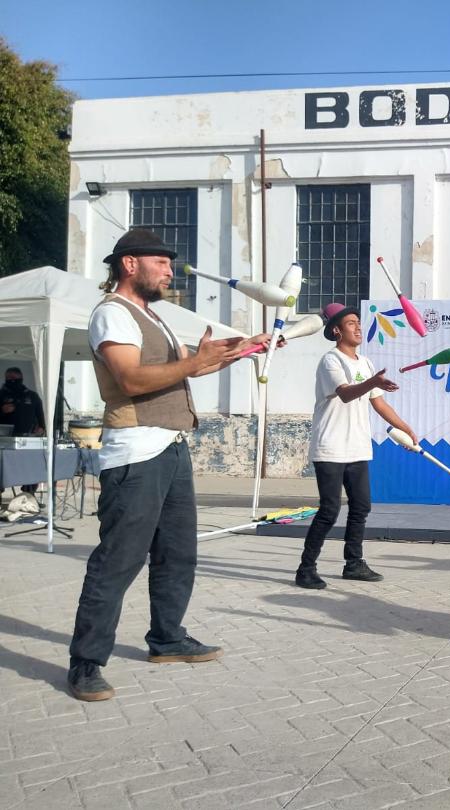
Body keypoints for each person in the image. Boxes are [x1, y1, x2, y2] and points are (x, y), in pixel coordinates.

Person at [67, 229, 272, 702]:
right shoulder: (112, 315)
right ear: (129, 264)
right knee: (118, 561)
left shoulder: (150, 317)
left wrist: (246, 348)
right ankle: (85, 662)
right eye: (160, 261)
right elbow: (132, 378)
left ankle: (166, 639)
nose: (168, 269)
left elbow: (192, 363)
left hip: (171, 447)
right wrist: (194, 363)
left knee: (178, 553)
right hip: (134, 453)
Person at [294, 302, 417, 589]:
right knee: (329, 510)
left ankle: (353, 563)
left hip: (358, 447)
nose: (358, 327)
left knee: (361, 507)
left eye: (359, 322)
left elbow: (377, 401)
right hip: (331, 447)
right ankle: (306, 568)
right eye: (351, 323)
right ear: (336, 330)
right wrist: (373, 381)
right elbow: (346, 394)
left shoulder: (365, 363)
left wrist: (405, 427)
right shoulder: (331, 361)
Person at [1, 367, 47, 495]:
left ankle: (28, 496)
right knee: (3, 468)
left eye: (14, 379)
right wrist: (2, 411)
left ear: (21, 379)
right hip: (4, 442)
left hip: (27, 439)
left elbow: (41, 414)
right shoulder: (1, 395)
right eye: (9, 379)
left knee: (31, 466)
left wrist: (42, 427)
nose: (11, 381)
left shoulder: (31, 395)